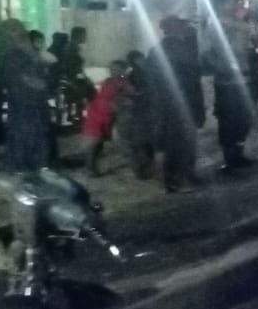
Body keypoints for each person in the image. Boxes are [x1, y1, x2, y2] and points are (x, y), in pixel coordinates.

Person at [145, 16, 205, 193]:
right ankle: (181, 179)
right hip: (180, 103)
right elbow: (195, 72)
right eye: (182, 26)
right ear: (174, 28)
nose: (186, 29)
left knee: (169, 143)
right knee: (181, 143)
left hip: (165, 103)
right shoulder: (178, 49)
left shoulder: (156, 50)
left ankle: (171, 180)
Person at [205, 0, 257, 172]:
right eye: (232, 2)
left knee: (244, 119)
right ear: (221, 5)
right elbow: (214, 51)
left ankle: (238, 155)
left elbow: (252, 42)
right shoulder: (217, 23)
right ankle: (229, 160)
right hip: (227, 81)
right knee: (229, 120)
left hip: (244, 78)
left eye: (238, 2)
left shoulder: (239, 23)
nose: (236, 5)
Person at [0, 19, 52, 171]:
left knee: (29, 133)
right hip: (25, 103)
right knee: (27, 133)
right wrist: (41, 85)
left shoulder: (20, 54)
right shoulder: (14, 56)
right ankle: (27, 166)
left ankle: (27, 165)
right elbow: (29, 79)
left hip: (27, 103)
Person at [78, 60, 130, 176]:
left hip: (104, 114)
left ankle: (91, 167)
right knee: (93, 141)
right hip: (97, 113)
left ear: (122, 70)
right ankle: (90, 168)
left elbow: (125, 97)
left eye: (116, 68)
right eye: (111, 68)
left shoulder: (121, 82)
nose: (112, 70)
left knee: (98, 142)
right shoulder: (112, 81)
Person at [122, 50, 156, 180]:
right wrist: (138, 94)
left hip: (147, 110)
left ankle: (146, 168)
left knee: (147, 141)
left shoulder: (145, 72)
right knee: (141, 142)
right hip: (140, 111)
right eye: (140, 58)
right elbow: (129, 92)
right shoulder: (133, 74)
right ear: (134, 60)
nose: (143, 60)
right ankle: (142, 169)